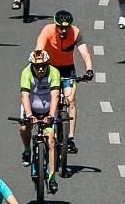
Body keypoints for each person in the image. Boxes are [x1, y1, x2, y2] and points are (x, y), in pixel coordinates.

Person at [34, 10, 94, 154]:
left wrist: (89, 70)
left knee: (70, 99)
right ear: (56, 25)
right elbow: (38, 49)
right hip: (49, 67)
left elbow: (85, 53)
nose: (63, 30)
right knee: (48, 98)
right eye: (60, 27)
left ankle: (70, 139)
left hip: (67, 69)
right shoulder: (48, 30)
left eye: (66, 27)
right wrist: (38, 66)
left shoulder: (75, 32)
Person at [19, 49, 61, 193]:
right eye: (37, 66)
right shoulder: (26, 73)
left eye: (43, 65)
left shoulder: (54, 72)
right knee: (24, 128)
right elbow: (24, 96)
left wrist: (50, 115)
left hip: (48, 110)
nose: (41, 69)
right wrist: (29, 114)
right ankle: (27, 150)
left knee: (50, 141)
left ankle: (52, 177)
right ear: (32, 66)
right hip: (31, 108)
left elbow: (55, 96)